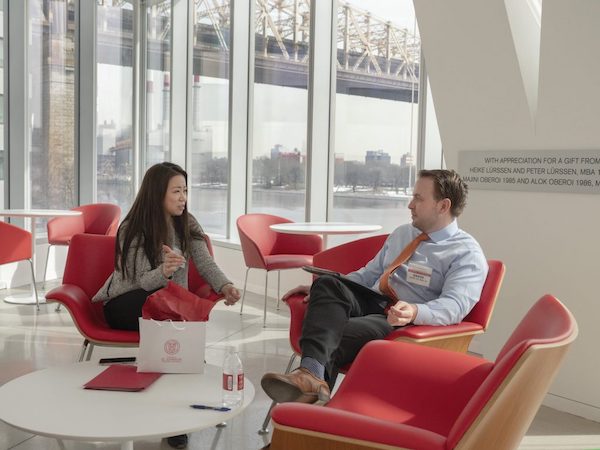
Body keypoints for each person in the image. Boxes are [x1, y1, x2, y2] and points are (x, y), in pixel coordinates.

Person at [261, 169, 488, 405]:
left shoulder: (466, 253)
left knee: (332, 331)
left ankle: (309, 386)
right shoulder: (403, 234)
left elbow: (456, 305)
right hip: (374, 300)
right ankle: (312, 385)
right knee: (327, 284)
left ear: (443, 206)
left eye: (419, 198)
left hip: (401, 317)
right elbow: (369, 273)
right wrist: (327, 287)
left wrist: (414, 311)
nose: (410, 205)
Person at [93, 162, 240, 449]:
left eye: (185, 191)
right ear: (158, 193)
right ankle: (177, 412)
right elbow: (138, 282)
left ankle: (176, 413)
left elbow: (205, 261)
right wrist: (165, 271)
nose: (183, 198)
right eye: (177, 191)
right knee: (173, 321)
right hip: (126, 303)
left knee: (173, 318)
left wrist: (225, 285)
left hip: (167, 304)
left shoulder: (186, 222)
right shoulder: (132, 228)